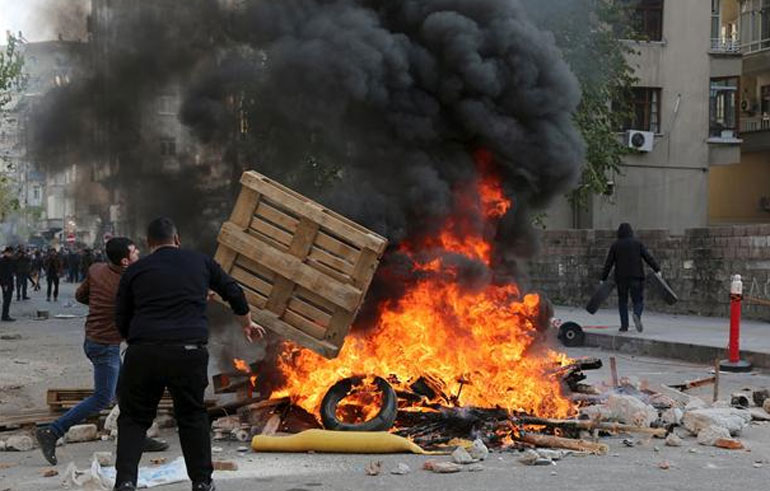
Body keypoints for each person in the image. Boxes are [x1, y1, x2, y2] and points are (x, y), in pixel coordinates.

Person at [113, 218, 265, 491]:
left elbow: (121, 316)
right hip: (188, 352)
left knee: (133, 418)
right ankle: (202, 482)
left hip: (144, 352)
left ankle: (125, 482)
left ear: (149, 243)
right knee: (192, 417)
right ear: (177, 239)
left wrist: (135, 339)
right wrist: (247, 323)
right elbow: (234, 292)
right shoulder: (201, 262)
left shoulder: (136, 270)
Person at [35, 238, 168, 465]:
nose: (138, 254)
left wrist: (100, 305)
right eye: (135, 252)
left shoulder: (96, 270)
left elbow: (80, 295)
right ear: (125, 261)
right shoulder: (128, 283)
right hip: (105, 346)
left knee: (126, 392)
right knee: (102, 397)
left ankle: (136, 437)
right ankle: (52, 431)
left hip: (96, 340)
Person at [601, 222, 662, 333]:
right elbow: (648, 257)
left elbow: (608, 263)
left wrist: (603, 278)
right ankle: (636, 314)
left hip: (621, 278)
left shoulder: (615, 245)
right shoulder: (637, 243)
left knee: (622, 301)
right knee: (638, 300)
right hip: (636, 277)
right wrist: (657, 269)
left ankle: (624, 326)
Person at [0, 247, 16, 322]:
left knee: (8, 299)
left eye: (11, 253)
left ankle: (6, 314)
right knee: (6, 299)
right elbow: (2, 274)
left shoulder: (11, 260)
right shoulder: (2, 261)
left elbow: (12, 270)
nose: (11, 254)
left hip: (10, 282)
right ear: (6, 252)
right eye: (10, 253)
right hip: (5, 283)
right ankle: (5, 316)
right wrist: (4, 284)